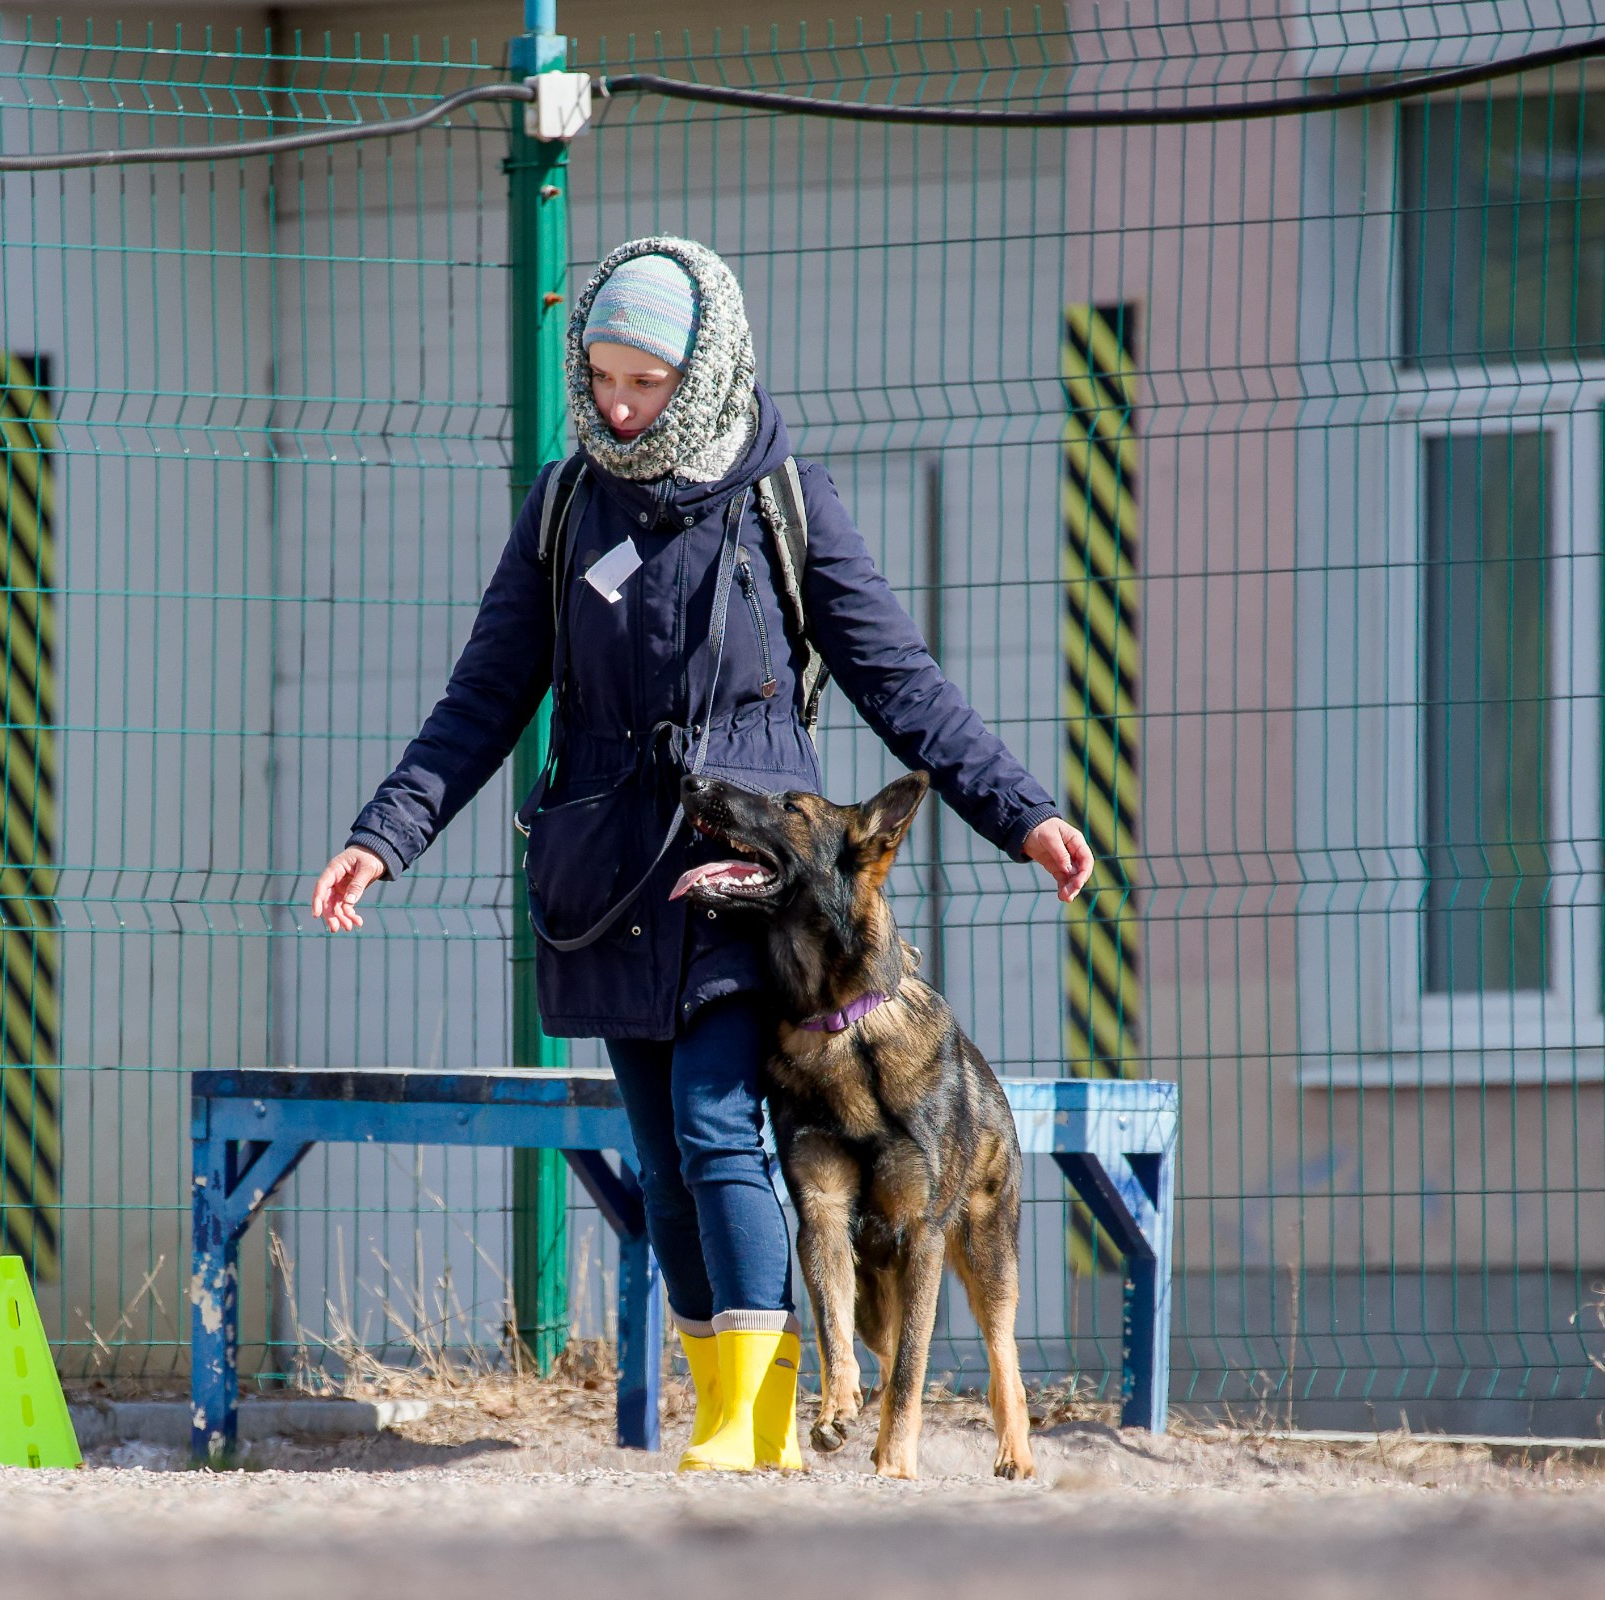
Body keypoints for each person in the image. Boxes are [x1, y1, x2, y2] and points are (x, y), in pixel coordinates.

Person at [311, 236, 1092, 1472]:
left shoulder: (786, 501)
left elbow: (900, 678)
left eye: (647, 383)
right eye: (603, 379)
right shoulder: (567, 507)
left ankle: (755, 1426)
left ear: (708, 367)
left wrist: (1022, 809)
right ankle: (727, 1396)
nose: (618, 408)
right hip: (611, 880)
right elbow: (483, 696)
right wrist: (382, 836)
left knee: (718, 1122)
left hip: (755, 889)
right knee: (663, 1160)